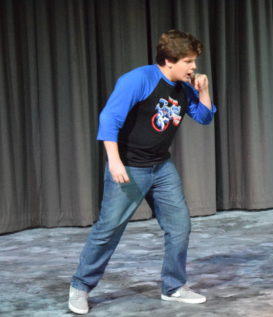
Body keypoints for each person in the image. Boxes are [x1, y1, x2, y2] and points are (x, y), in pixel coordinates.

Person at [68, 29, 216, 314]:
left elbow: (205, 117)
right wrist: (114, 161)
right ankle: (80, 286)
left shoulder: (185, 87)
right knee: (108, 229)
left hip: (160, 166)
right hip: (130, 166)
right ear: (169, 61)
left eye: (194, 61)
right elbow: (109, 117)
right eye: (188, 61)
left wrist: (203, 91)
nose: (194, 67)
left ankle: (173, 287)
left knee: (180, 226)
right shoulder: (139, 79)